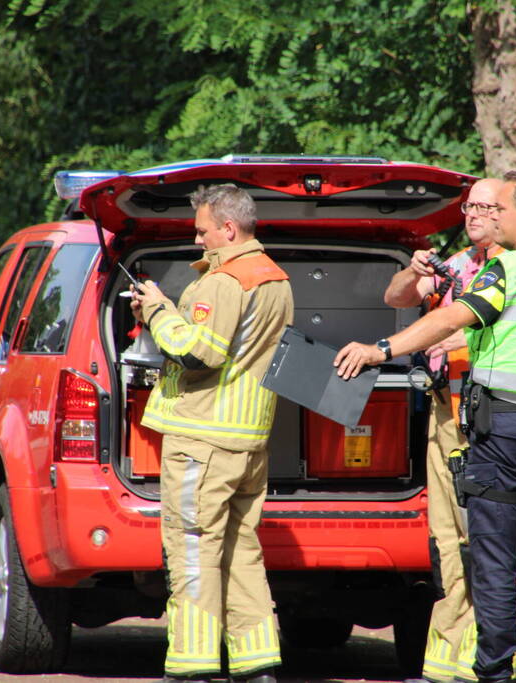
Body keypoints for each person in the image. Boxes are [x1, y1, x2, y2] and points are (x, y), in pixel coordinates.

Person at [334, 170, 516, 683]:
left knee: (492, 557)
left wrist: (382, 351)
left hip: (501, 430)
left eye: (496, 209)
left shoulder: (507, 271)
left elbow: (452, 319)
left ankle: (492, 669)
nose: (484, 218)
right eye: (475, 209)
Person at [130, 184, 294, 683]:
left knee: (193, 547)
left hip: (202, 438)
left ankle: (193, 665)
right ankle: (257, 661)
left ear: (228, 228)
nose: (198, 240)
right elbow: (235, 348)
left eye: (202, 231)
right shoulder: (276, 278)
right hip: (248, 438)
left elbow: (200, 354)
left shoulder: (224, 281)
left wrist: (157, 309)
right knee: (242, 550)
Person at [383, 178, 504, 683]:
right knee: (446, 539)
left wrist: (409, 342)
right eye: (468, 206)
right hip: (445, 414)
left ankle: (482, 657)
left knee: (481, 541)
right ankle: (446, 662)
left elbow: (471, 326)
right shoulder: (458, 265)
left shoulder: (512, 270)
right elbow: (393, 297)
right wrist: (413, 276)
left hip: (488, 420)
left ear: (511, 214)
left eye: (483, 207)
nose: (471, 214)